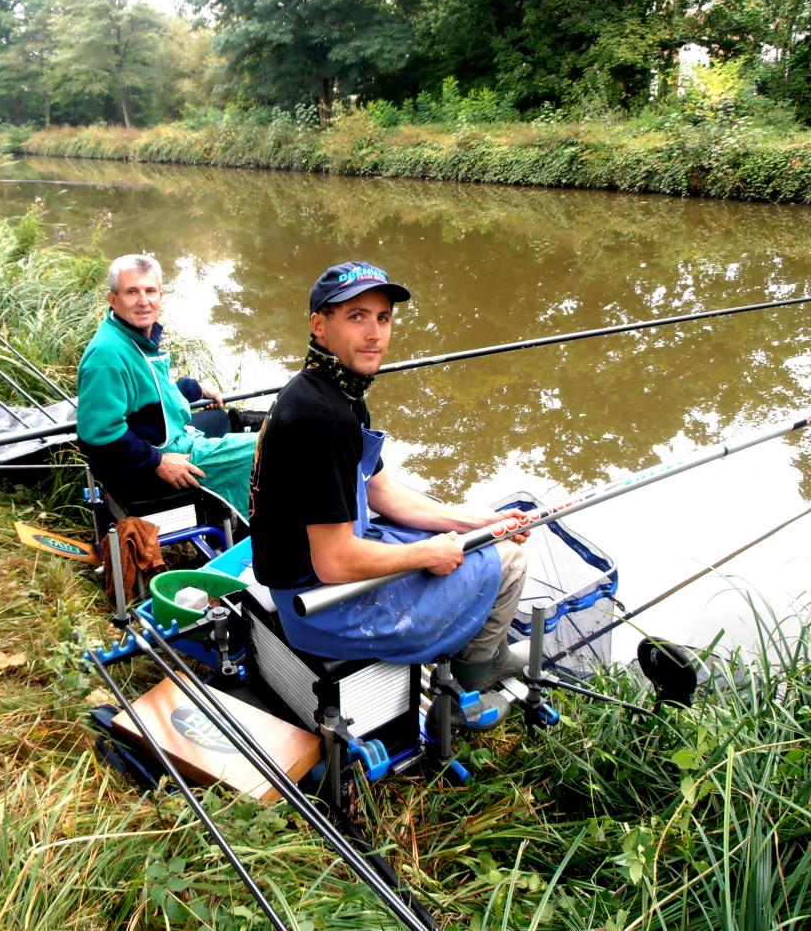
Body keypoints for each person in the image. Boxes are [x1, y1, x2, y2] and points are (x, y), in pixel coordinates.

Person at [249, 261, 532, 729]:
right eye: (356, 316)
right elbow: (335, 562)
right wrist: (427, 554)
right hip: (320, 605)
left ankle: (476, 643)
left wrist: (474, 522)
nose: (375, 333)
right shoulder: (323, 419)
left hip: (317, 574)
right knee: (511, 560)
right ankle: (468, 688)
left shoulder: (332, 390)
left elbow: (382, 494)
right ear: (320, 326)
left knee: (486, 539)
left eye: (383, 318)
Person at [76, 253, 258, 518]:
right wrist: (157, 461)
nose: (143, 301)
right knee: (272, 446)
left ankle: (239, 516)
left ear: (161, 295)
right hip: (148, 466)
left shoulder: (132, 337)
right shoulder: (107, 356)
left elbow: (150, 393)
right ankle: (266, 529)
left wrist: (193, 388)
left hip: (163, 441)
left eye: (150, 291)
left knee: (219, 418)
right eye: (131, 292)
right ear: (113, 300)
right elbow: (96, 436)